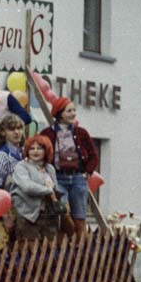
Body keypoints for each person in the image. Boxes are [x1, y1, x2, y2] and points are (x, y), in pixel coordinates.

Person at [37, 97, 99, 234]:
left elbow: (93, 155)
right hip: (58, 179)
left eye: (74, 110)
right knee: (62, 213)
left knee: (80, 216)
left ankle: (80, 246)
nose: (73, 114)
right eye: (69, 111)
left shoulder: (81, 133)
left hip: (77, 179)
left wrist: (87, 172)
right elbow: (40, 156)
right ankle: (67, 243)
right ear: (59, 113)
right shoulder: (47, 133)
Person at [10, 136, 61, 242]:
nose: (35, 151)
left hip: (49, 215)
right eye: (32, 148)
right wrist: (48, 190)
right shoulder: (21, 166)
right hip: (28, 216)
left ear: (46, 150)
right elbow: (27, 187)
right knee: (29, 251)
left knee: (49, 251)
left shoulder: (50, 168)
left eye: (40, 148)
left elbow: (56, 188)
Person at [0, 114, 26, 192]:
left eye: (19, 128)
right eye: (12, 129)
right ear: (3, 132)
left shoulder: (25, 152)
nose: (16, 132)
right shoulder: (0, 156)